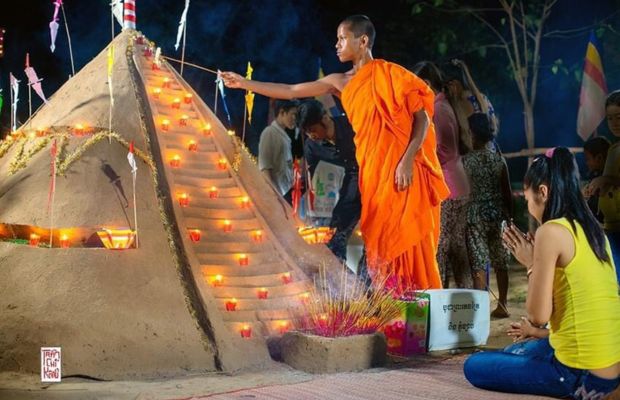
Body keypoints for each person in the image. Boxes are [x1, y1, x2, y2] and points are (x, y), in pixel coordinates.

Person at [221, 15, 449, 293]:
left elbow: (422, 118)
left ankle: (421, 309)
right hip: (374, 175)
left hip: (402, 172)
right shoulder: (339, 82)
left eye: (342, 38)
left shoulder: (393, 74)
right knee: (383, 241)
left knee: (410, 239)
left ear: (362, 41)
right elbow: (291, 90)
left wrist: (408, 161)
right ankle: (395, 311)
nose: (336, 44)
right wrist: (244, 83)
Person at [464, 147, 620, 399]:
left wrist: (530, 264)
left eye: (527, 199)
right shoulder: (594, 230)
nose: (528, 206)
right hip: (611, 363)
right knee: (517, 352)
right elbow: (584, 311)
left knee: (474, 365)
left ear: (543, 192)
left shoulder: (550, 231)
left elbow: (537, 315)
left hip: (578, 373)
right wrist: (537, 333)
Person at [414, 61, 471, 289]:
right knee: (456, 250)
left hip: (448, 186)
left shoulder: (437, 110)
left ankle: (441, 301)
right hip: (457, 183)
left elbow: (442, 150)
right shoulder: (444, 106)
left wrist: (415, 157)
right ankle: (462, 301)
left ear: (426, 84)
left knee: (442, 249)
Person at [297, 99, 361, 266]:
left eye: (312, 130)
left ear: (325, 118)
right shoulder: (313, 145)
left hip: (377, 176)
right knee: (336, 231)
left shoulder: (352, 124)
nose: (311, 135)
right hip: (352, 183)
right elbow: (309, 180)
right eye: (306, 132)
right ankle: (340, 275)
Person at [463, 113, 512, 318]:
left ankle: (479, 310)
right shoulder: (499, 160)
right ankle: (502, 304)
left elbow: (463, 191)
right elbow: (507, 191)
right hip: (498, 215)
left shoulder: (466, 162)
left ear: (472, 134)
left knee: (479, 263)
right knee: (501, 261)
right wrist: (510, 218)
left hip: (475, 217)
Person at [584, 90, 620, 283]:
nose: (614, 123)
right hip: (611, 223)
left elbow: (611, 180)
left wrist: (605, 180)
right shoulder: (614, 149)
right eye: (610, 119)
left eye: (619, 117)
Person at [442, 59, 499, 153]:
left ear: (454, 84)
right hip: (492, 156)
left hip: (472, 160)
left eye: (446, 87)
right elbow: (494, 128)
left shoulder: (459, 105)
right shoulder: (483, 98)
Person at [257, 99, 299, 203]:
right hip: (279, 194)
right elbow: (265, 168)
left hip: (287, 191)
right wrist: (274, 195)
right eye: (293, 114)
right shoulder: (269, 133)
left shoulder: (284, 135)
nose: (295, 119)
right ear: (282, 112)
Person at [582, 136, 610, 223]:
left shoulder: (605, 180)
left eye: (588, 159)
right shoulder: (594, 176)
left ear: (599, 158)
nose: (586, 163)